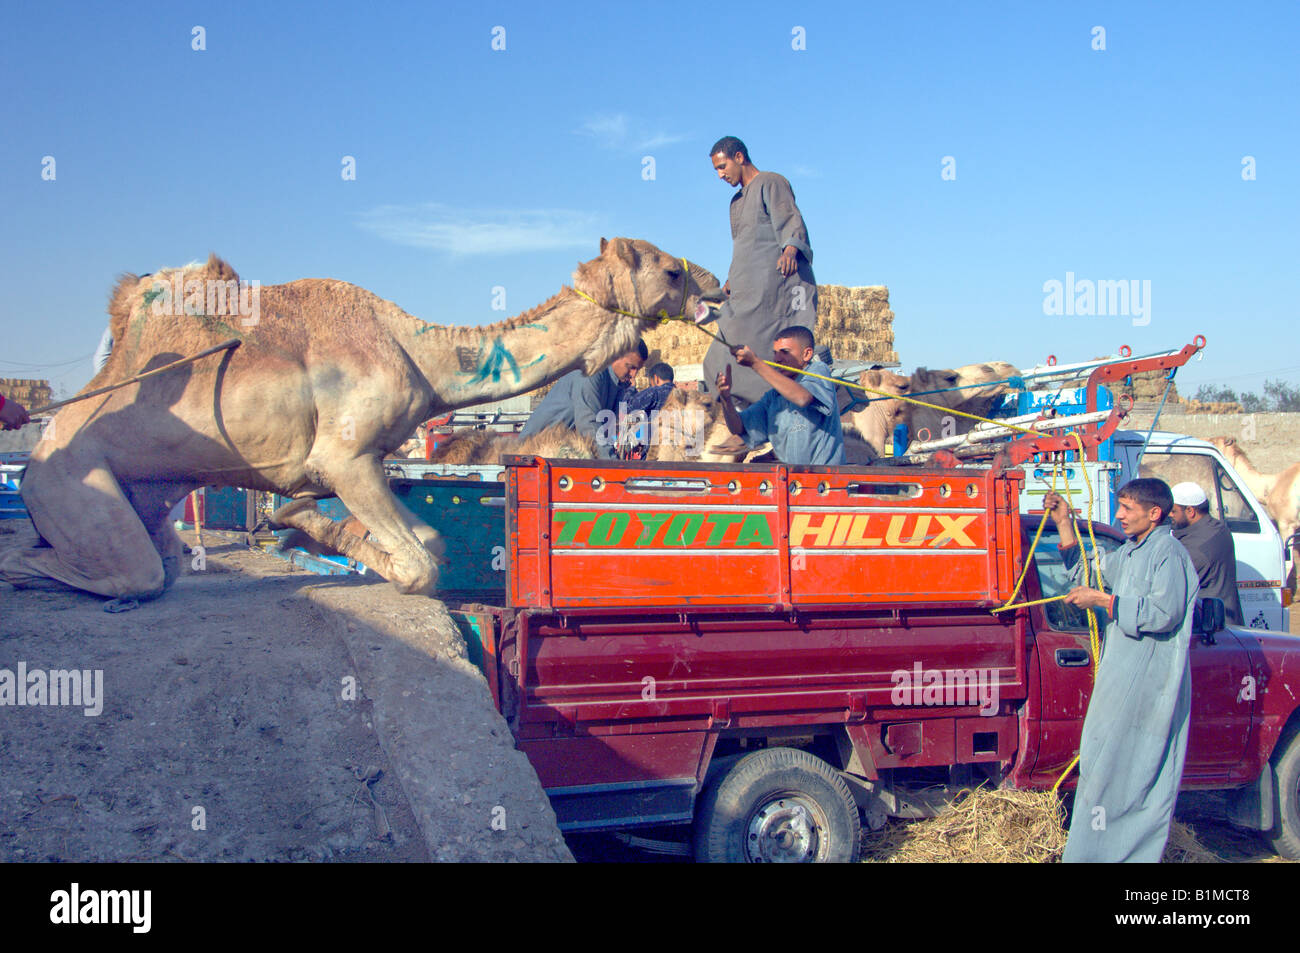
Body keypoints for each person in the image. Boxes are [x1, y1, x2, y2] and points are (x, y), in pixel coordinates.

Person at [1043, 479, 1198, 863]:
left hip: (1150, 686)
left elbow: (1164, 613)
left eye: (1127, 509)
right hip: (1118, 680)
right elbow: (1089, 571)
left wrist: (1103, 600)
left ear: (1154, 513)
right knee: (1102, 768)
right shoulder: (1130, 552)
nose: (1119, 516)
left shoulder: (1170, 555)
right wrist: (1064, 523)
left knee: (1133, 775)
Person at [703, 136, 818, 406]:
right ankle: (731, 415)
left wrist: (791, 249)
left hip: (771, 289)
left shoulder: (771, 182)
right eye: (716, 170)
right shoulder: (736, 201)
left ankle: (771, 405)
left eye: (722, 167)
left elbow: (790, 220)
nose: (720, 175)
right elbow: (745, 246)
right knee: (716, 356)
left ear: (739, 158)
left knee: (762, 346)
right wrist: (732, 280)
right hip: (744, 290)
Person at [715, 325, 844, 466]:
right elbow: (738, 428)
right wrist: (726, 398)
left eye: (785, 352)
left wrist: (755, 363)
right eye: (775, 353)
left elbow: (803, 398)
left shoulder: (818, 370)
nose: (777, 359)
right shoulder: (773, 398)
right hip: (790, 482)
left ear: (806, 354)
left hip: (824, 481)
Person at [519, 340, 647, 459]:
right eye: (631, 367)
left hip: (565, 450)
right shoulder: (590, 374)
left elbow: (608, 425)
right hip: (536, 453)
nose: (633, 375)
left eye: (637, 370)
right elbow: (588, 426)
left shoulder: (617, 384)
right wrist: (613, 464)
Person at [1169, 481, 1244, 625]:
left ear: (1190, 511)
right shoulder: (1218, 528)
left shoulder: (1197, 547)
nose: (1170, 516)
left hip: (1210, 627)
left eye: (1174, 511)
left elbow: (1171, 588)